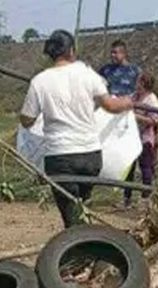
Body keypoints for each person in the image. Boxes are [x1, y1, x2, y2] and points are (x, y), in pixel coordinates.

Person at [19, 29, 134, 228]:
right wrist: (128, 102)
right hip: (90, 155)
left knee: (71, 217)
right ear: (71, 50)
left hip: (60, 157)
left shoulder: (39, 81)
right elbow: (110, 106)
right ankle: (86, 240)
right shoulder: (87, 74)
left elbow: (27, 120)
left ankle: (80, 244)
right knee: (83, 207)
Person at [122, 71, 158, 209]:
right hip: (131, 137)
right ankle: (126, 198)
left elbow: (154, 120)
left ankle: (145, 198)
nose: (136, 83)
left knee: (145, 167)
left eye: (139, 81)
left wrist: (136, 116)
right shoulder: (134, 96)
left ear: (144, 83)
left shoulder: (151, 100)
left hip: (145, 138)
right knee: (128, 169)